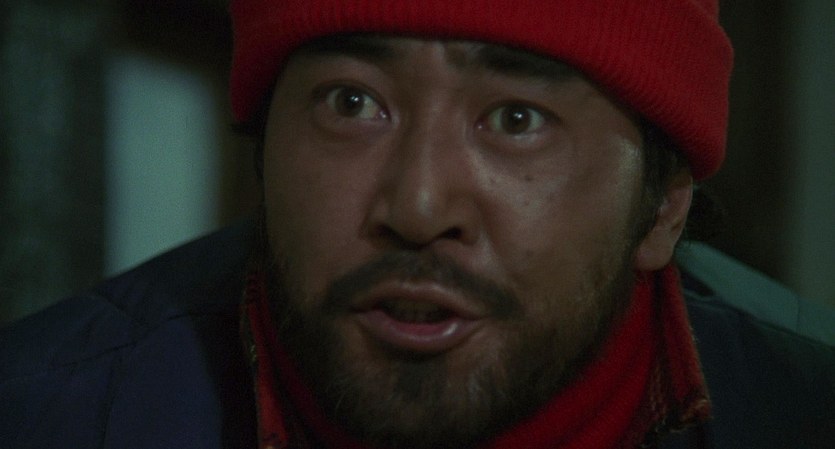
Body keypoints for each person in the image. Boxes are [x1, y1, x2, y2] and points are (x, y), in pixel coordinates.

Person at [2, 1, 834, 448]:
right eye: (352, 103)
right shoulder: (41, 414)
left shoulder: (804, 410)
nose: (417, 208)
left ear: (662, 206)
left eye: (515, 118)